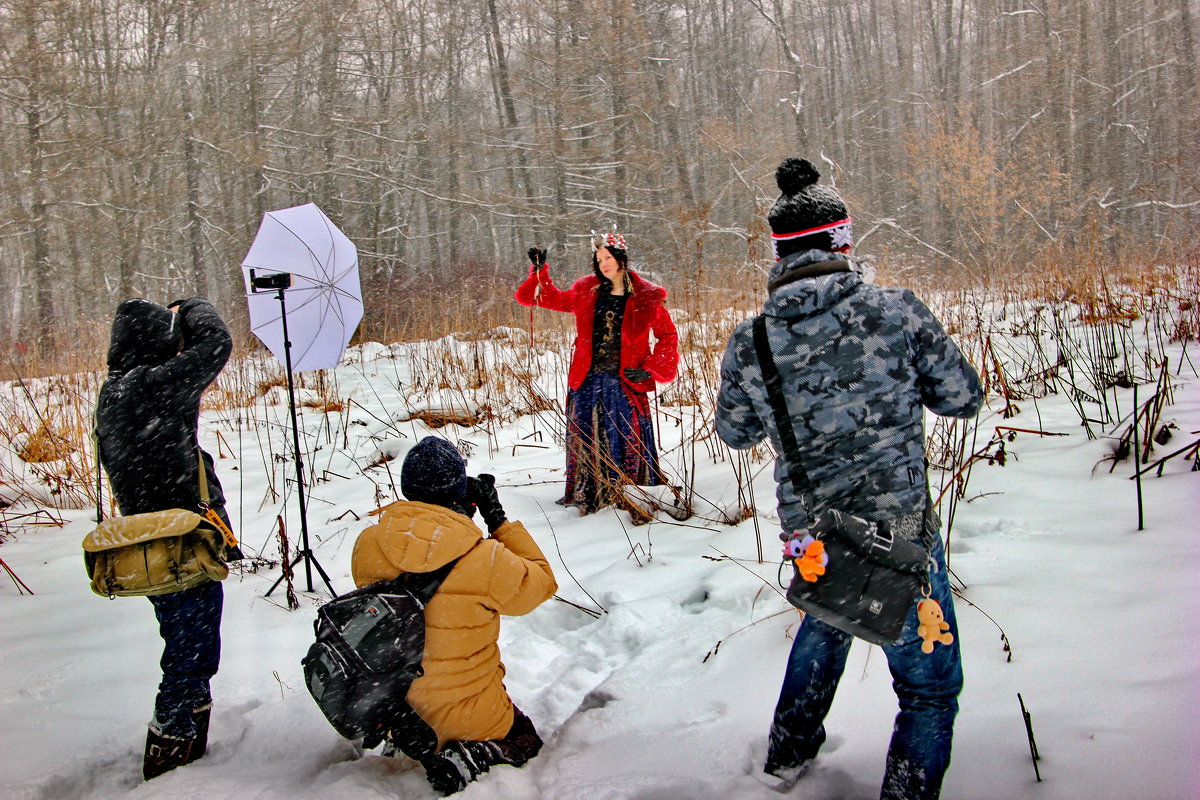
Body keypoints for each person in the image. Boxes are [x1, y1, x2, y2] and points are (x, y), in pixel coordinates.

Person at [715, 158, 983, 799]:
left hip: (811, 534)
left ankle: (785, 757)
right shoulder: (897, 312)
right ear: (841, 241)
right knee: (930, 688)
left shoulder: (751, 339)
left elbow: (735, 432)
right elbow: (962, 398)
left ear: (780, 256)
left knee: (829, 617)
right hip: (901, 532)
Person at [351, 436, 558, 795]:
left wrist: (449, 515)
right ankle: (476, 754)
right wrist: (498, 519)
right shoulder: (485, 557)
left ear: (406, 487)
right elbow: (541, 584)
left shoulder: (368, 543)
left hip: (403, 711)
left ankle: (413, 744)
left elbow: (420, 548)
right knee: (525, 737)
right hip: (471, 717)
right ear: (460, 490)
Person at [95, 297, 237, 780]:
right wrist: (193, 307)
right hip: (177, 545)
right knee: (190, 652)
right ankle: (172, 751)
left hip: (151, 545)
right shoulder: (149, 387)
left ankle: (187, 743)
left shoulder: (114, 392)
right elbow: (217, 345)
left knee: (187, 645)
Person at [515, 232, 679, 514]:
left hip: (624, 382)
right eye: (599, 258)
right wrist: (539, 271)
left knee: (625, 437)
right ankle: (591, 494)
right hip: (587, 381)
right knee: (587, 436)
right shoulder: (585, 290)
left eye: (609, 258)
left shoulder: (647, 295)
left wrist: (650, 369)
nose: (603, 263)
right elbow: (542, 298)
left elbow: (667, 336)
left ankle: (631, 492)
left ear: (621, 259)